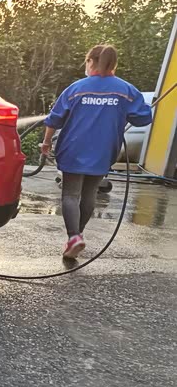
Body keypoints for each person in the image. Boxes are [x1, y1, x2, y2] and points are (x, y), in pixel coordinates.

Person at [40, 44, 152, 259]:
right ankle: (78, 235)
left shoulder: (76, 88)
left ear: (91, 62)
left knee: (71, 194)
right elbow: (143, 118)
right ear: (114, 64)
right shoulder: (126, 90)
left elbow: (54, 119)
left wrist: (46, 143)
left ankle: (74, 237)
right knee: (90, 193)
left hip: (73, 148)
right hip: (104, 150)